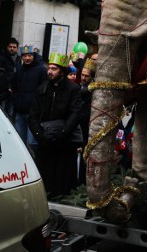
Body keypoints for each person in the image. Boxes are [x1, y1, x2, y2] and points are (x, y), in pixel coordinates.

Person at [28, 52, 83, 199]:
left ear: (62, 71)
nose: (50, 72)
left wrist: (62, 133)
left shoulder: (73, 90)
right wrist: (40, 136)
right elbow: (33, 115)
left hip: (64, 142)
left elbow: (75, 114)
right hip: (45, 141)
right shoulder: (42, 89)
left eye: (54, 69)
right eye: (49, 68)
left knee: (63, 180)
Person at [12, 45, 48, 151]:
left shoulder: (41, 69)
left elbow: (43, 89)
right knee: (20, 141)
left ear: (34, 56)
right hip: (19, 110)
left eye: (30, 55)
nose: (27, 58)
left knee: (32, 142)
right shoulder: (19, 69)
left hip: (33, 113)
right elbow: (15, 86)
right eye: (25, 56)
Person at [0, 37, 22, 117]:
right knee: (1, 112)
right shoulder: (1, 57)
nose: (12, 49)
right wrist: (8, 85)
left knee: (9, 113)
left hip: (13, 90)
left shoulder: (18, 59)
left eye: (14, 47)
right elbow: (0, 74)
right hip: (3, 90)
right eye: (10, 47)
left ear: (17, 48)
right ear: (7, 47)